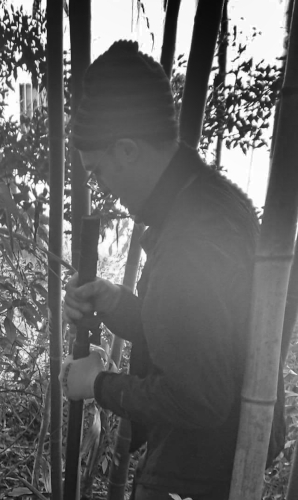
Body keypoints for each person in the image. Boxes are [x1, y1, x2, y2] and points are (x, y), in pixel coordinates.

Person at [60, 40, 285, 500]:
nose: (102, 188)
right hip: (220, 454)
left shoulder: (190, 239)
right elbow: (201, 335)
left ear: (127, 149)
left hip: (198, 470)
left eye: (98, 171)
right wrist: (118, 305)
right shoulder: (211, 200)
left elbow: (197, 396)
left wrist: (97, 384)